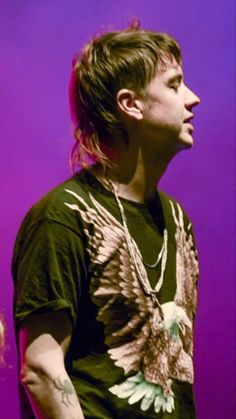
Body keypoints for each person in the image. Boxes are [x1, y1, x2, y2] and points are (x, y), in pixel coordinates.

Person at [12, 21, 200, 419]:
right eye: (174, 84)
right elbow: (42, 371)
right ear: (130, 104)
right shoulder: (64, 216)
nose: (193, 98)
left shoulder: (177, 220)